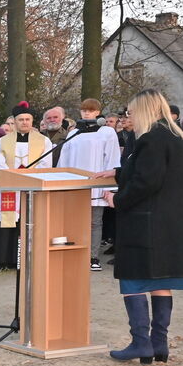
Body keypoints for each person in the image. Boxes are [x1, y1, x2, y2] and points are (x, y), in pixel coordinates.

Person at [93, 89, 183, 364]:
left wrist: (117, 199)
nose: (128, 117)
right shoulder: (174, 138)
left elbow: (146, 182)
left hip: (145, 222)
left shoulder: (151, 140)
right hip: (168, 224)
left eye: (131, 112)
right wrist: (116, 172)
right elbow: (152, 172)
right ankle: (158, 343)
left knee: (133, 280)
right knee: (159, 281)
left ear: (145, 111)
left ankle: (140, 342)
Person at [58, 98, 122, 271]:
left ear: (97, 112)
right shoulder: (74, 133)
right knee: (75, 220)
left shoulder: (107, 132)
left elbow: (112, 158)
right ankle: (76, 253)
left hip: (97, 181)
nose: (86, 113)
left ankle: (93, 256)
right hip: (75, 183)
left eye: (90, 110)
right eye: (84, 110)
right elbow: (64, 158)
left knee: (95, 221)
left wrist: (110, 186)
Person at [0, 101, 53, 268]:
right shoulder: (3, 141)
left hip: (32, 189)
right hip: (9, 189)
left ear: (32, 121)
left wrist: (28, 178)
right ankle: (4, 260)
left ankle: (28, 260)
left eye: (28, 119)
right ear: (15, 122)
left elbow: (46, 164)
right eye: (21, 119)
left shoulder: (43, 141)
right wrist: (14, 178)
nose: (24, 122)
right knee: (7, 224)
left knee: (29, 222)